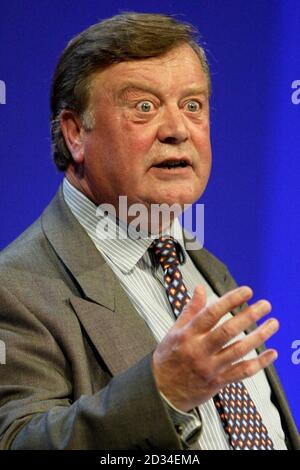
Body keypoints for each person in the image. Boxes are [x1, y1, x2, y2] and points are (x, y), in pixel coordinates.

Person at [0, 12, 298, 451]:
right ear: (75, 134)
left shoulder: (202, 267)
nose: (178, 130)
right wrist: (163, 394)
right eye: (144, 107)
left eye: (193, 105)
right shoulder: (15, 288)